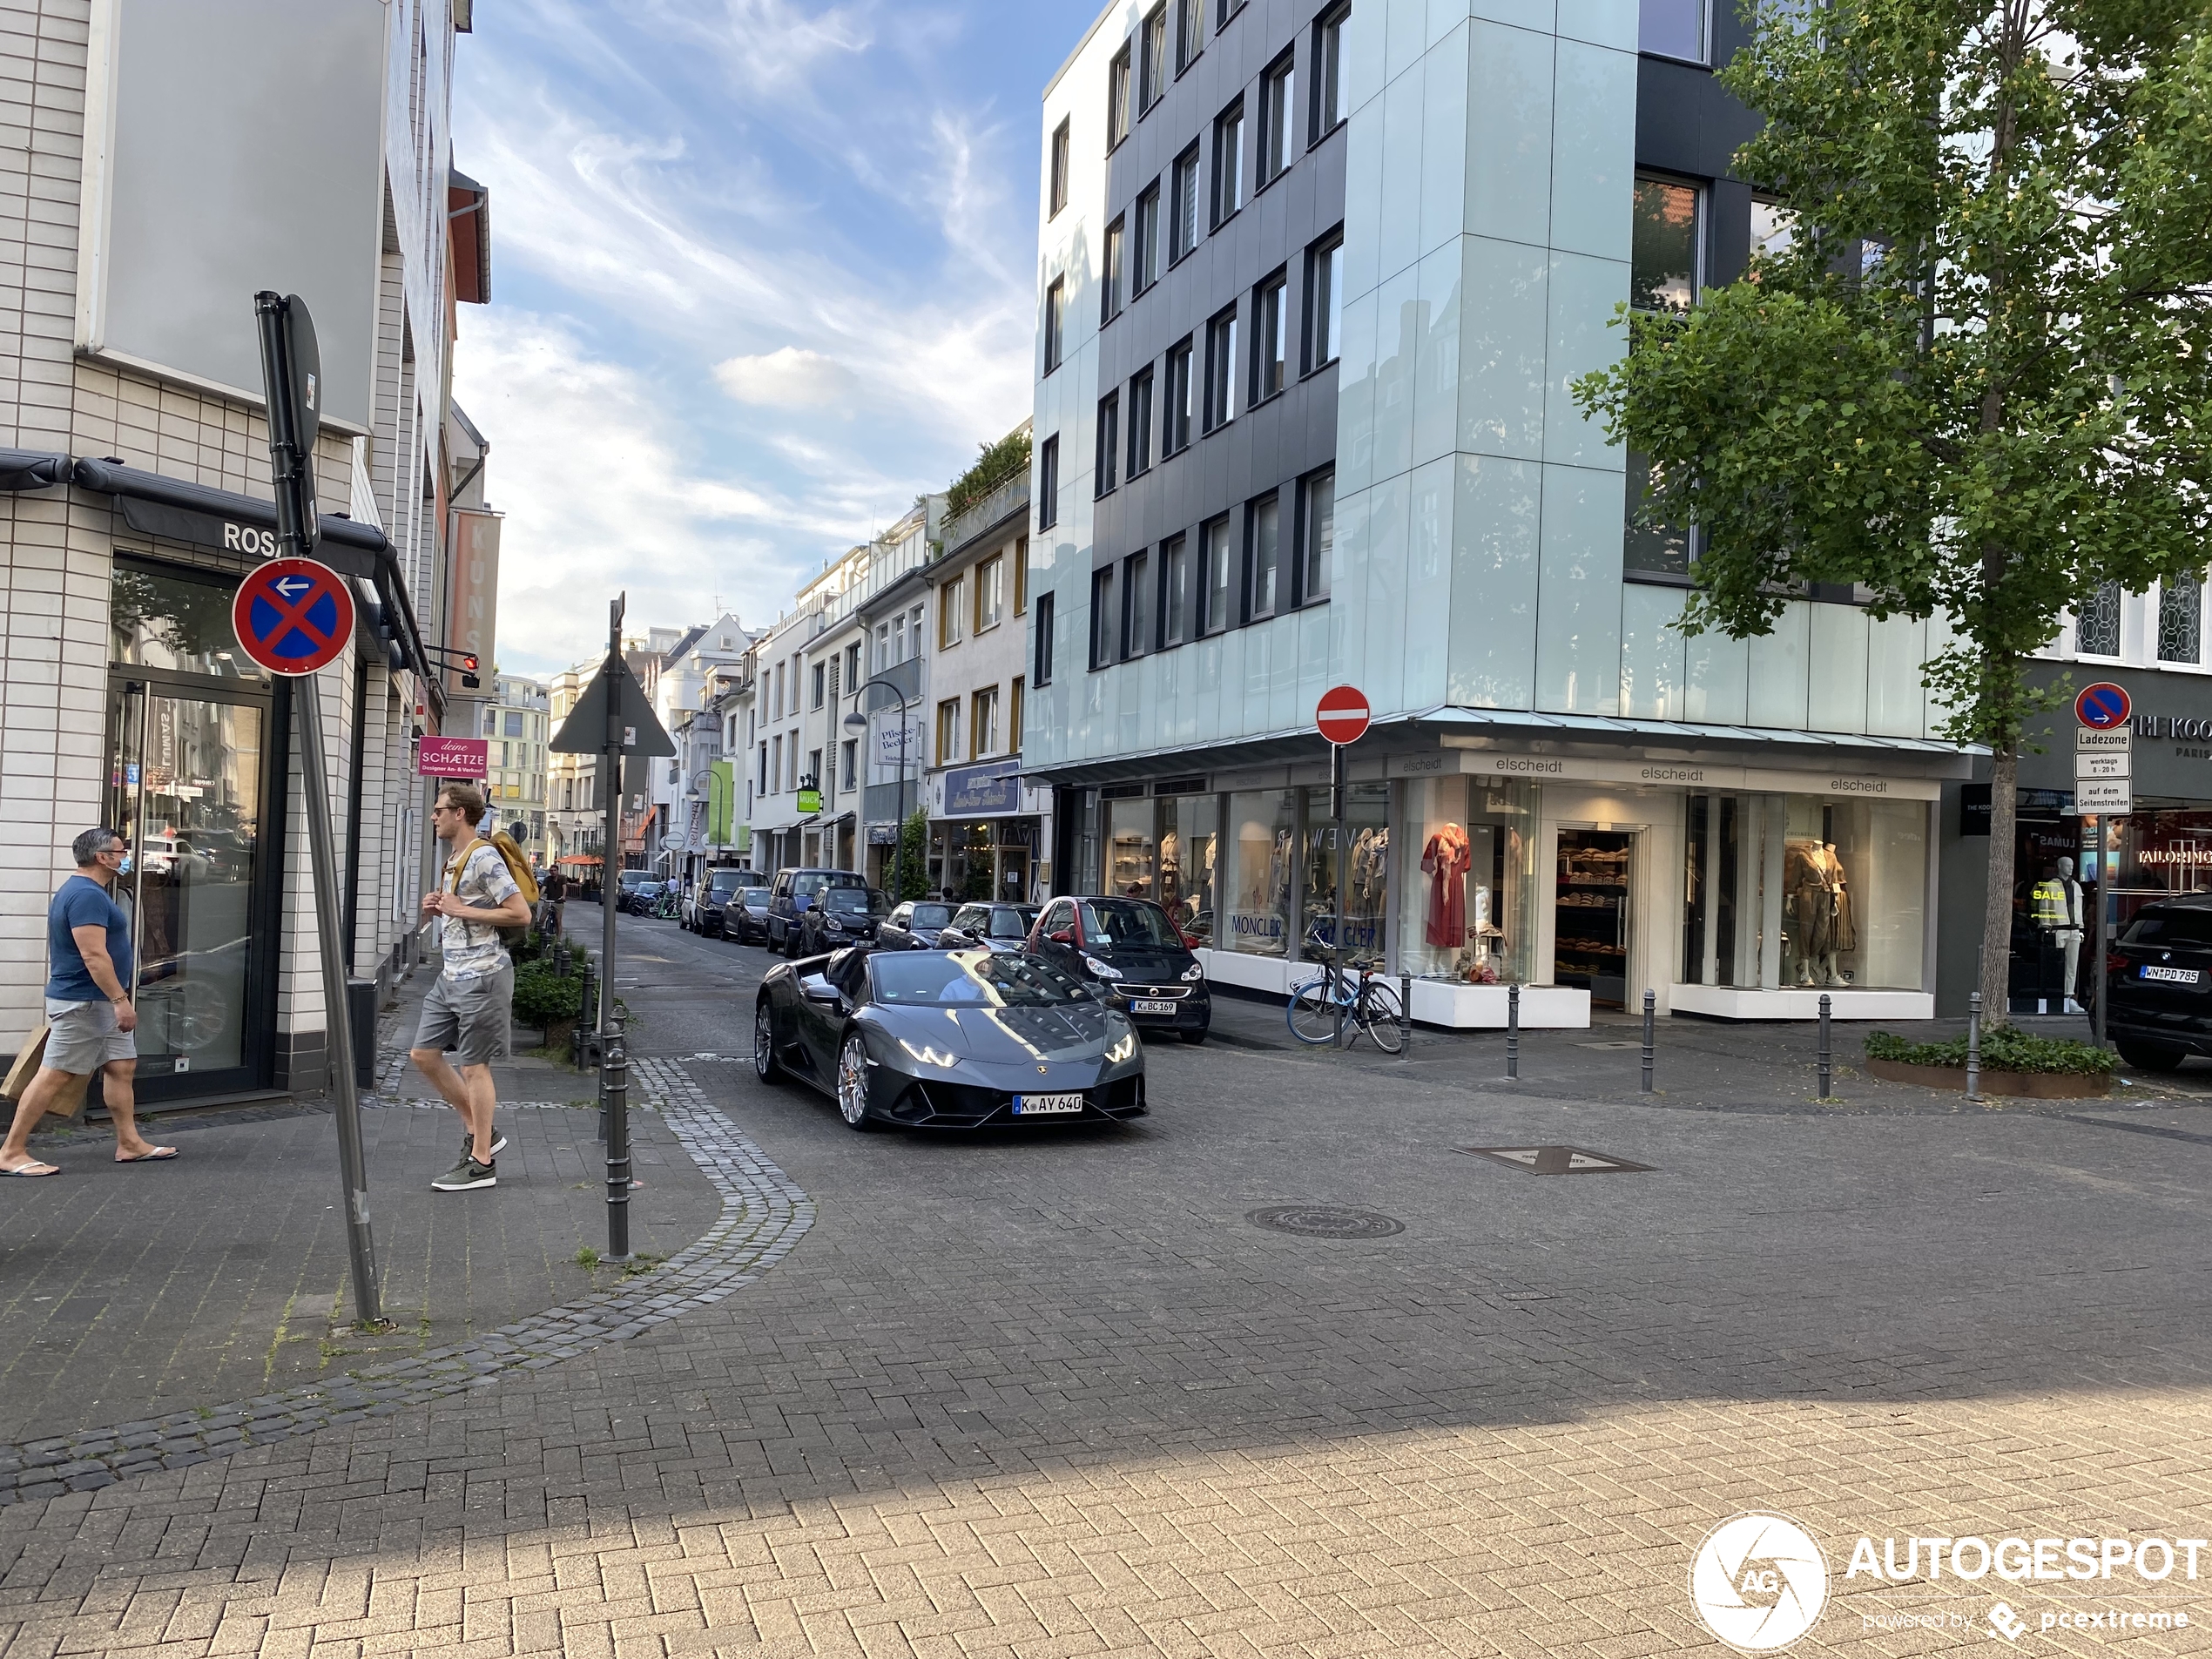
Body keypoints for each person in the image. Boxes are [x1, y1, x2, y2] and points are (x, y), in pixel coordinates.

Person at [0, 826, 177, 1174]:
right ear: (102, 857)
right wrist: (120, 999)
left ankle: (129, 1143)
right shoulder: (86, 895)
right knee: (56, 1073)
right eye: (120, 851)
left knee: (121, 1067)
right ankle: (11, 1151)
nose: (125, 856)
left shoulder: (89, 892)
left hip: (99, 1002)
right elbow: (93, 954)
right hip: (85, 1002)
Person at [409, 784, 533, 1192]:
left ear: (460, 813)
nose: (434, 816)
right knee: (423, 1055)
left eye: (439, 809)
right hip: (451, 976)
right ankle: (482, 1129)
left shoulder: (483, 856)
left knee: (474, 1067)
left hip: (482, 976)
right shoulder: (454, 860)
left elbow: (521, 914)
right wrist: (436, 912)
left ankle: (482, 1162)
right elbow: (460, 917)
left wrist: (460, 908)